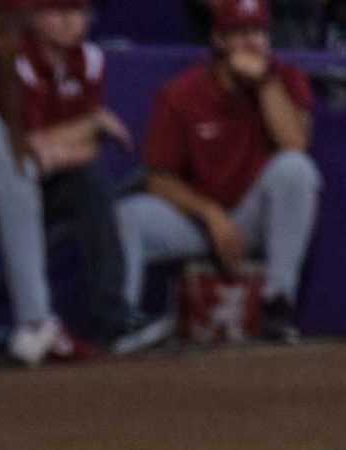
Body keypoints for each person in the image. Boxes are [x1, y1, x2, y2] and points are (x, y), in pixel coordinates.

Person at [113, 0, 319, 344]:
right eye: (239, 33)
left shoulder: (284, 78)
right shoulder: (182, 93)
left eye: (258, 32)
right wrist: (210, 215)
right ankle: (121, 323)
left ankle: (276, 306)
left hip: (252, 217)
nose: (252, 43)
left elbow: (294, 143)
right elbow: (158, 179)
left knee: (296, 170)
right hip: (197, 221)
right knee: (127, 216)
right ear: (218, 40)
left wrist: (265, 83)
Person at [0, 0, 148, 357]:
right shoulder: (11, 58)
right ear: (34, 16)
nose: (70, 21)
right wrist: (91, 121)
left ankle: (112, 318)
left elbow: (88, 151)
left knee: (93, 183)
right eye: (59, 11)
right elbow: (22, 148)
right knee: (57, 176)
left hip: (56, 177)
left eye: (79, 11)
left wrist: (58, 147)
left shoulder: (90, 58)